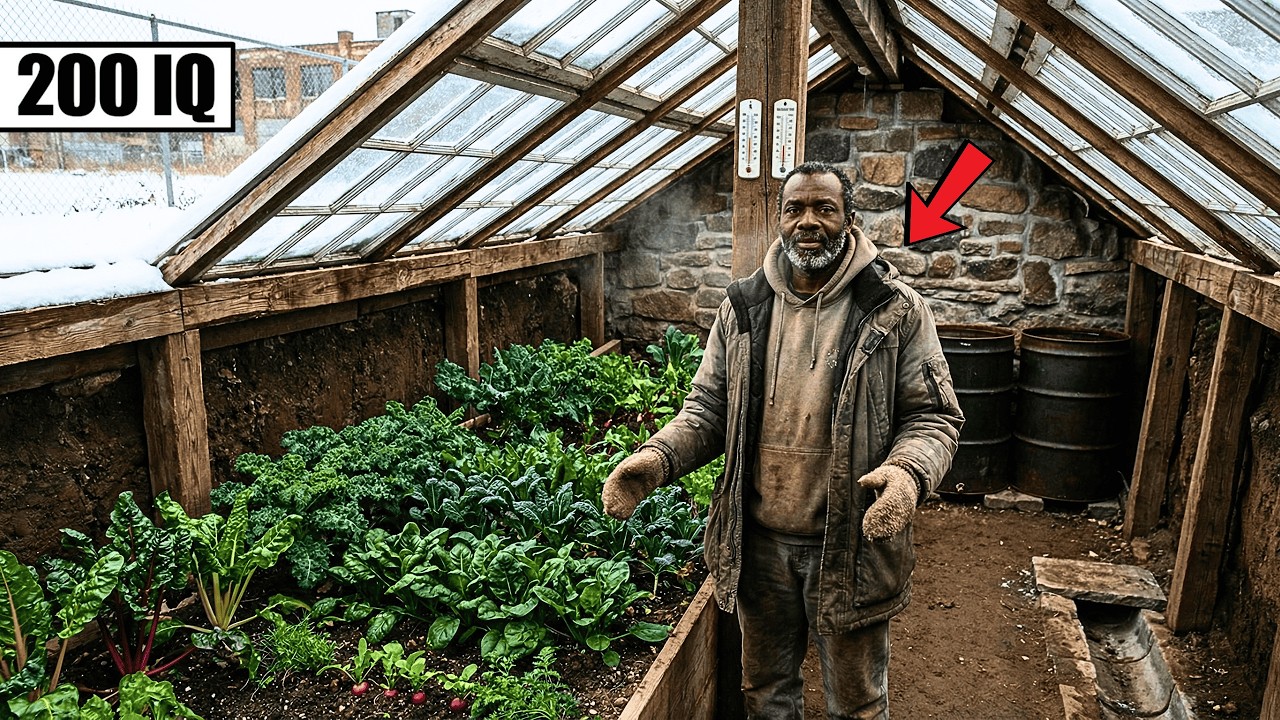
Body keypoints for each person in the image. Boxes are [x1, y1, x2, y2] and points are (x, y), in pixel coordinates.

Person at [602, 161, 964, 719]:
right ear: (779, 219)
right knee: (766, 692)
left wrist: (906, 474)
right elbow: (708, 409)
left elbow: (934, 417)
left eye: (824, 208)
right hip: (760, 545)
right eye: (795, 209)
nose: (808, 221)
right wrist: (656, 459)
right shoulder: (743, 307)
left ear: (849, 219)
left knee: (858, 703)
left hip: (849, 545)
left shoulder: (894, 309)